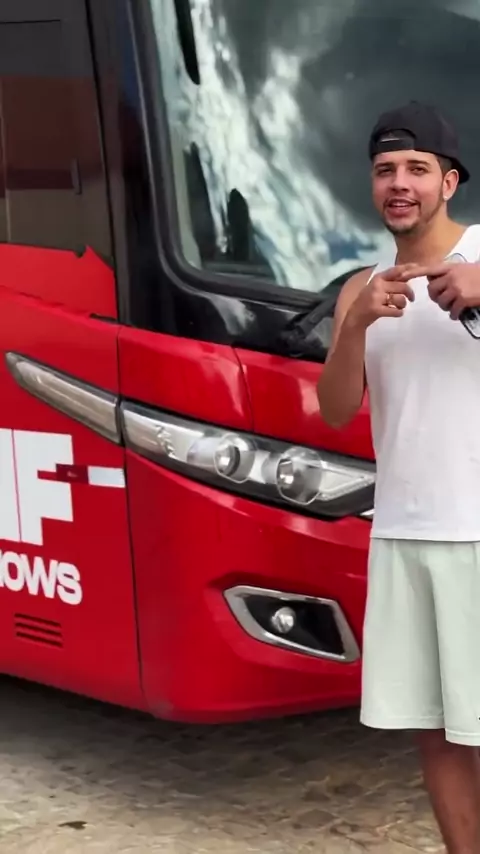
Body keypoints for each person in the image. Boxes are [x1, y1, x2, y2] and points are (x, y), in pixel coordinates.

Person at [317, 101, 480, 854]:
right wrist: (355, 323)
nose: (399, 183)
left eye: (417, 168)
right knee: (435, 732)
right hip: (403, 533)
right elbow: (335, 410)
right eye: (385, 170)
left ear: (450, 181)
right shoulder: (361, 287)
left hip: (477, 534)